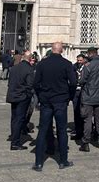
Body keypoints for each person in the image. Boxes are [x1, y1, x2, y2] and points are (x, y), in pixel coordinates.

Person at [32, 42, 77, 171]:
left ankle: (39, 163)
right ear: (61, 50)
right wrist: (69, 96)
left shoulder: (42, 64)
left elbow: (35, 83)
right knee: (62, 130)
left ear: (52, 50)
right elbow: (73, 83)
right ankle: (63, 161)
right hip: (61, 100)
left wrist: (41, 95)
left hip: (46, 101)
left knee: (43, 130)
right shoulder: (67, 64)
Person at [79, 48, 99, 152]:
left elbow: (82, 80)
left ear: (90, 54)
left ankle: (86, 142)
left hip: (88, 96)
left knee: (87, 119)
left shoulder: (88, 66)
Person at [6, 50, 35, 150]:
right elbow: (30, 85)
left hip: (13, 95)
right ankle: (15, 142)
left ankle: (14, 137)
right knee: (19, 119)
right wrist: (28, 95)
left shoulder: (14, 68)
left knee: (14, 118)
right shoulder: (29, 69)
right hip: (22, 97)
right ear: (30, 58)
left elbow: (10, 83)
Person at [71, 54, 86, 141]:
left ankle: (85, 129)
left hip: (83, 91)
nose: (79, 62)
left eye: (80, 60)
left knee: (84, 112)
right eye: (78, 60)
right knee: (76, 111)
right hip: (75, 91)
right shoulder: (73, 67)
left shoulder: (87, 67)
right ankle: (78, 130)